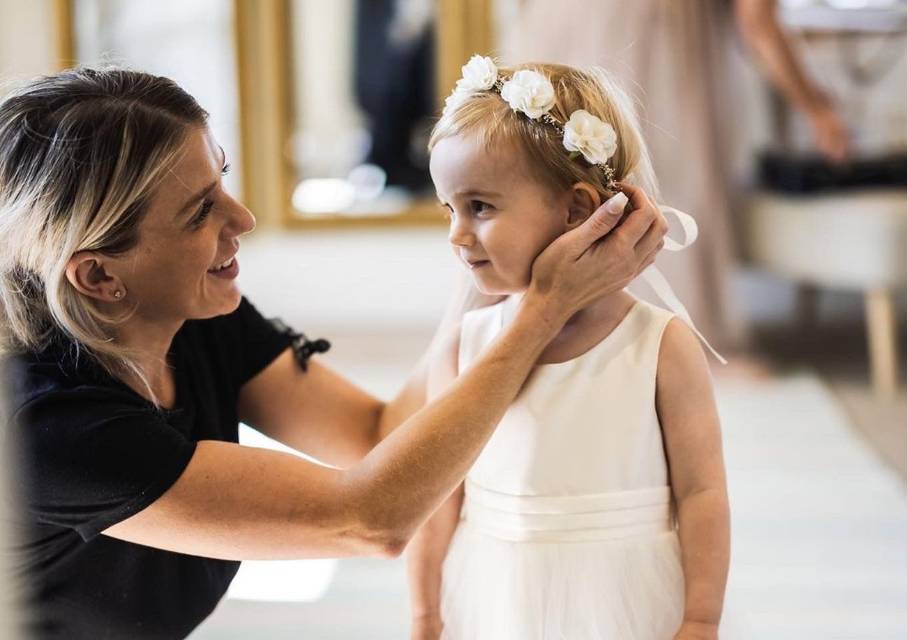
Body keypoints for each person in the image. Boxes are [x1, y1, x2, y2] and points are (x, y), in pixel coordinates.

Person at [0, 67, 667, 639]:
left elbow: (376, 435)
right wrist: (542, 310)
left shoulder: (191, 320)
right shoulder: (49, 429)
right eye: (200, 211)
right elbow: (369, 518)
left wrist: (493, 264)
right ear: (98, 276)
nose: (243, 220)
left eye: (221, 179)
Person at [406, 58, 731, 640]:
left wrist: (701, 618)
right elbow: (437, 498)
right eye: (449, 208)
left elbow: (703, 492)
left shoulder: (658, 345)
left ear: (577, 210)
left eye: (479, 206)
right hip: (496, 596)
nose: (457, 234)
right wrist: (426, 616)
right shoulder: (467, 345)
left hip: (625, 600)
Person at [502, 0, 850, 355]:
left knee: (561, 176)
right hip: (651, 37)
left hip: (556, 22)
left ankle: (541, 329)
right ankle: (659, 345)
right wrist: (817, 108)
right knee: (661, 183)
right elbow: (756, 20)